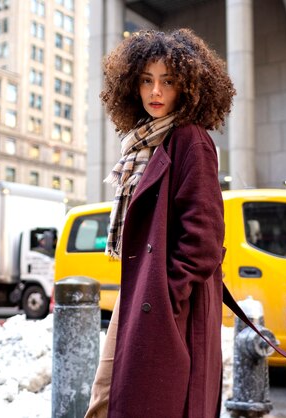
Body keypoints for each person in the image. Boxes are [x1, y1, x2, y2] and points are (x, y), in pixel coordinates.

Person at [85, 29, 235, 418]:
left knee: (134, 399)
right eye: (147, 80)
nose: (156, 91)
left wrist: (168, 297)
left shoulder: (191, 140)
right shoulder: (146, 143)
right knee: (110, 395)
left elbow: (203, 239)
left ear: (187, 87)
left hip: (167, 302)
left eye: (167, 81)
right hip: (143, 292)